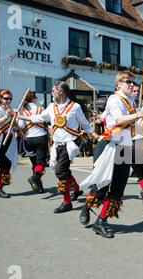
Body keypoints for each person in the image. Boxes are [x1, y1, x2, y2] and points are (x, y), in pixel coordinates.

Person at [79, 71, 143, 238]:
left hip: (125, 148)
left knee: (118, 189)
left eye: (133, 82)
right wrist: (139, 114)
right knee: (101, 186)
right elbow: (119, 120)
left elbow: (130, 126)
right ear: (118, 84)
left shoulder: (131, 101)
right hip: (109, 146)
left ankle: (101, 222)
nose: (132, 85)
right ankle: (87, 206)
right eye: (128, 82)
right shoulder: (114, 99)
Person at [17, 81, 95, 213]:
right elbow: (40, 118)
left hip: (69, 144)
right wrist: (20, 116)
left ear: (61, 92)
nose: (52, 93)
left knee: (60, 171)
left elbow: (85, 124)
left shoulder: (75, 107)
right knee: (65, 171)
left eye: (53, 91)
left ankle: (67, 202)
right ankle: (77, 189)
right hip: (56, 144)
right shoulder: (52, 107)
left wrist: (95, 135)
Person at [17, 91, 50, 193]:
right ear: (34, 99)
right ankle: (35, 179)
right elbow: (48, 121)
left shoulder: (22, 111)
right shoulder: (41, 109)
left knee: (35, 163)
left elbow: (21, 127)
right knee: (41, 163)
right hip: (40, 138)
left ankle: (39, 186)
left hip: (28, 140)